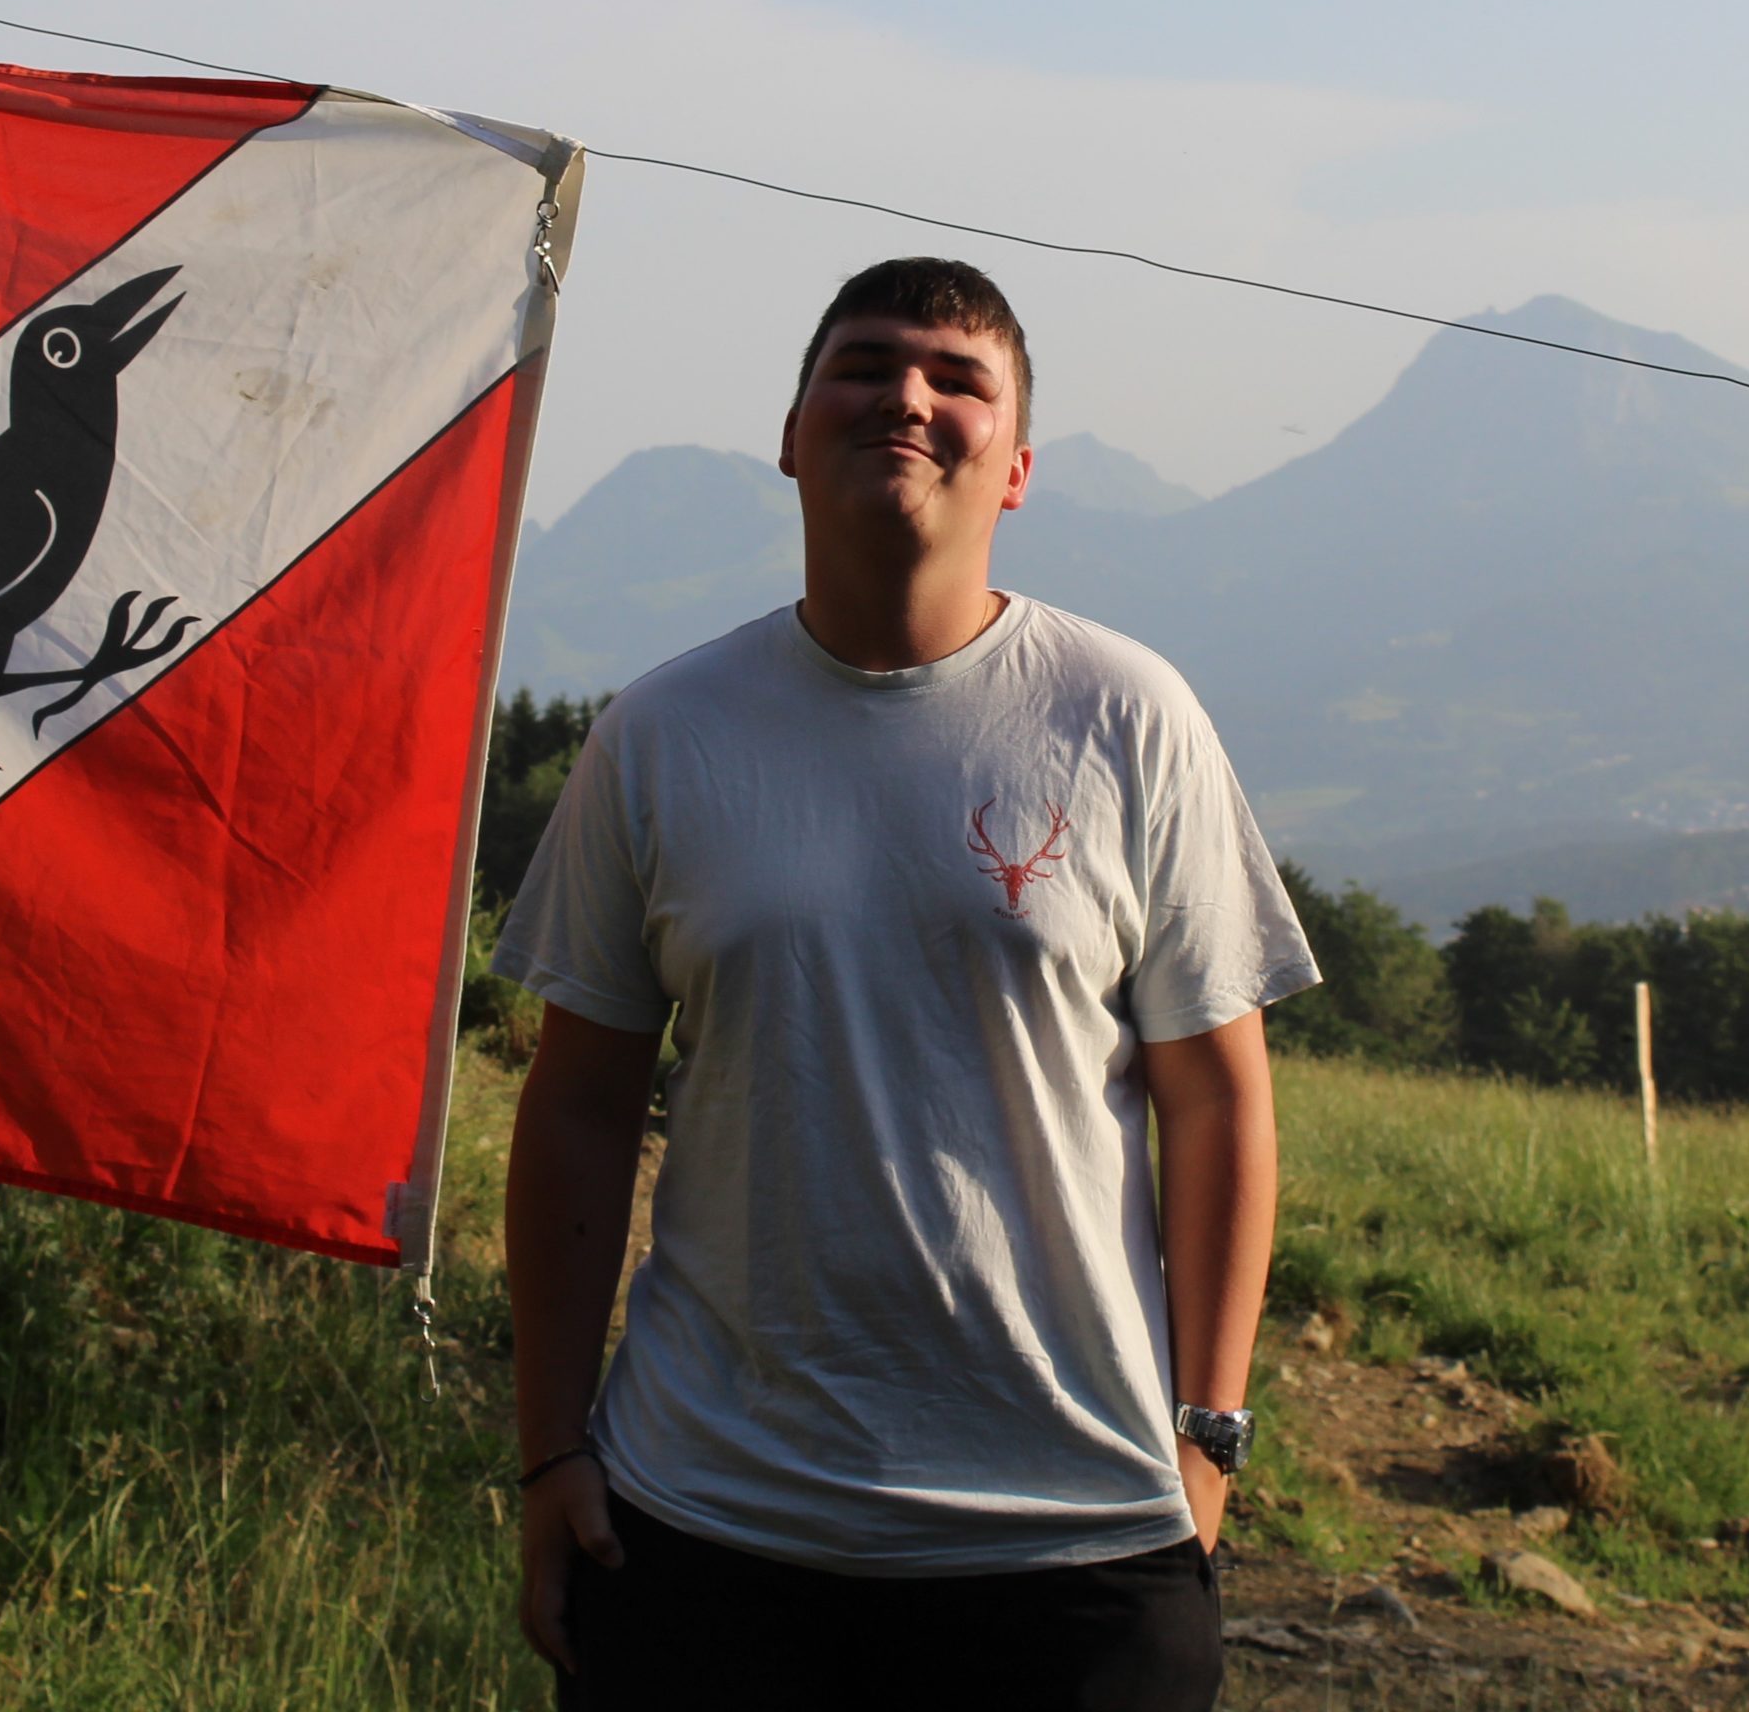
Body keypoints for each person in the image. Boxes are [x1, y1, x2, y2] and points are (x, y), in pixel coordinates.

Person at [494, 257, 1318, 1708]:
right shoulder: (662, 735)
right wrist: (552, 1447)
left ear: (1018, 467)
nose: (909, 398)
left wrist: (1209, 1437)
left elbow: (1219, 1099)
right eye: (865, 367)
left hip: (1074, 1542)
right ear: (790, 434)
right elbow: (577, 1109)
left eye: (958, 378)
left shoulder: (1128, 718)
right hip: (705, 1528)